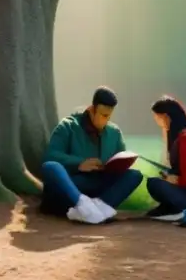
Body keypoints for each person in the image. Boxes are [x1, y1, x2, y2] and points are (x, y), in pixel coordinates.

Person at [40, 87, 143, 224]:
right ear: (91, 109)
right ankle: (83, 204)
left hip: (100, 187)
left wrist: (120, 164)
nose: (106, 120)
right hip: (73, 185)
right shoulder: (68, 126)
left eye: (109, 116)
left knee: (135, 175)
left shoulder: (114, 132)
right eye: (103, 115)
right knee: (50, 167)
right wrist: (80, 163)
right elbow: (51, 156)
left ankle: (96, 209)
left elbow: (120, 160)